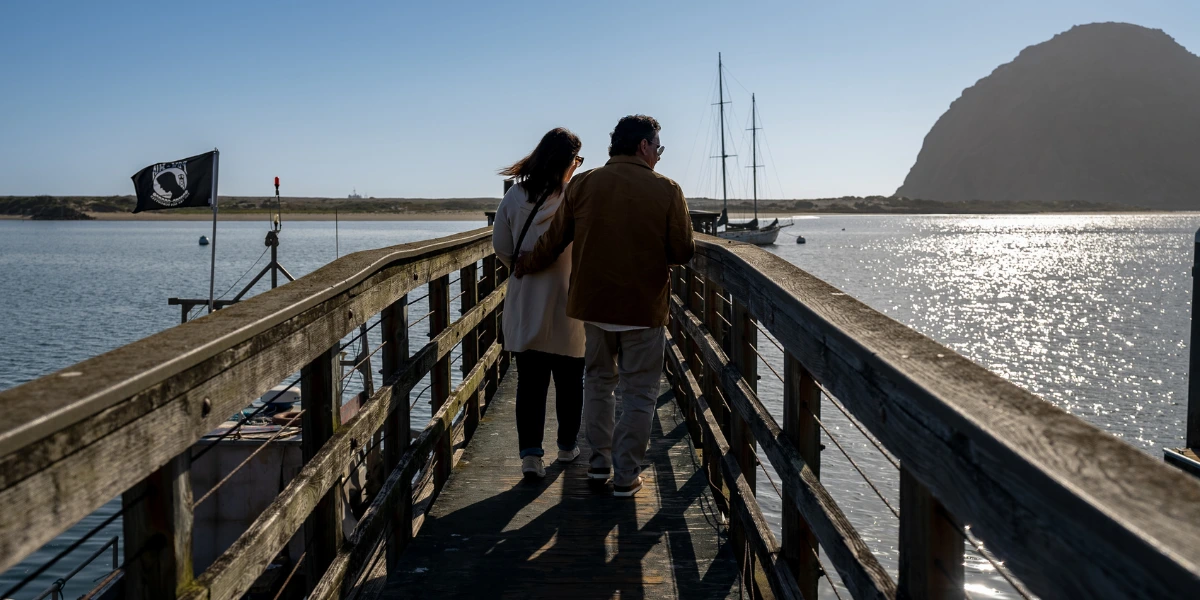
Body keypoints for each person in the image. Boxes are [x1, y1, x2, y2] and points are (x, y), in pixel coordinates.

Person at [515, 115, 695, 497]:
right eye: (658, 148)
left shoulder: (583, 183)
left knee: (598, 384)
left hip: (594, 306)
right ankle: (626, 475)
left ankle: (599, 464)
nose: (659, 155)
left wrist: (525, 265)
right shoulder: (667, 189)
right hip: (642, 308)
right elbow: (682, 251)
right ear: (643, 146)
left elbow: (553, 240)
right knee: (639, 393)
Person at [493, 127, 587, 480]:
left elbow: (501, 246)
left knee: (530, 384)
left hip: (527, 296)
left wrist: (523, 266)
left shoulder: (515, 195)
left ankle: (531, 456)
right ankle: (566, 447)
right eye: (577, 160)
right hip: (568, 298)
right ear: (568, 162)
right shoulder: (573, 197)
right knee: (570, 381)